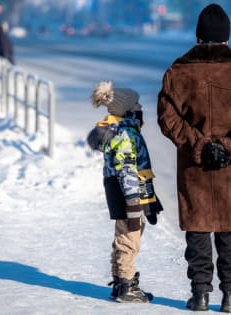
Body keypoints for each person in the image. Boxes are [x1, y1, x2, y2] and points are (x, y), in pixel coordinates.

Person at [157, 3, 231, 313]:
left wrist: (199, 146)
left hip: (195, 167)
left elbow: (168, 119)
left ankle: (200, 294)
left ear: (197, 36)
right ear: (227, 38)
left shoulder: (177, 73)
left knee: (199, 228)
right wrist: (230, 147)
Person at [87, 80, 163, 303]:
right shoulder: (125, 135)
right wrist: (134, 205)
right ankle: (127, 286)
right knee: (129, 240)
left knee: (123, 238)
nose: (140, 107)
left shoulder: (122, 130)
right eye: (137, 103)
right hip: (127, 195)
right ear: (127, 109)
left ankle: (120, 282)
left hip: (123, 192)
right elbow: (128, 171)